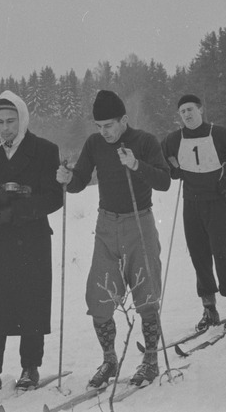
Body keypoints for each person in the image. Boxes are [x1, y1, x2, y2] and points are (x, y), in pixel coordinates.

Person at [56, 90, 170, 388]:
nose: (103, 131)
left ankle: (151, 359)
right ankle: (109, 360)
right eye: (98, 126)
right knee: (99, 297)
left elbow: (165, 181)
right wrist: (68, 178)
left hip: (139, 221)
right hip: (106, 224)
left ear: (124, 120)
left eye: (108, 125)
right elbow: (80, 180)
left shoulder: (144, 141)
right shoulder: (95, 143)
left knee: (146, 294)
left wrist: (136, 165)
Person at [0, 91, 63, 400]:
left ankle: (30, 367)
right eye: (0, 122)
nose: (5, 128)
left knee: (29, 303)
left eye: (11, 120)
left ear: (23, 118)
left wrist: (22, 209)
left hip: (29, 239)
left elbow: (54, 197)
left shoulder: (45, 150)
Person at [161, 94, 226, 332]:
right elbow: (163, 159)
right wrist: (174, 170)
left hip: (216, 202)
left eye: (190, 109)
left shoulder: (220, 134)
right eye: (182, 111)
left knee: (222, 255)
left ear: (201, 109)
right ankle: (209, 308)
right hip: (190, 205)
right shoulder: (173, 139)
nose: (186, 114)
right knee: (199, 257)